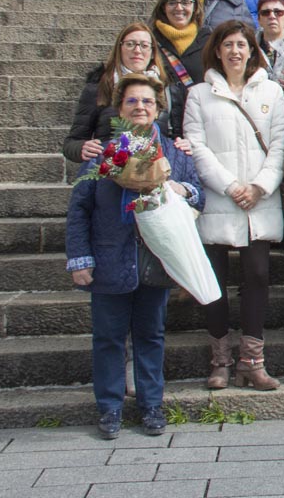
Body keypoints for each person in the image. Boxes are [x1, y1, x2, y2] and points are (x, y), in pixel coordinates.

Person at [66, 73, 204, 438]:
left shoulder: (174, 152)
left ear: (158, 109)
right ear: (119, 109)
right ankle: (109, 407)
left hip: (155, 258)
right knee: (108, 337)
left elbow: (198, 195)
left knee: (151, 335)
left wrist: (181, 188)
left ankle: (151, 404)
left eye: (147, 102)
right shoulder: (104, 154)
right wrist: (80, 259)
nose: (140, 107)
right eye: (132, 101)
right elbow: (80, 208)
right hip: (111, 258)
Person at [184, 20, 284, 392]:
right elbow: (196, 147)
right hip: (218, 198)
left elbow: (281, 143)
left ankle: (252, 362)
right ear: (217, 50)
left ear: (251, 50)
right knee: (213, 281)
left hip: (259, 199)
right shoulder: (199, 94)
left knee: (258, 275)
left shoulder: (272, 91)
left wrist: (260, 186)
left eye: (242, 44)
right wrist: (230, 186)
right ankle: (220, 360)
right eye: (228, 44)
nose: (235, 51)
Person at [64, 23, 170, 164]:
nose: (137, 50)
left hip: (155, 168)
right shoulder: (99, 88)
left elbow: (172, 135)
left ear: (152, 53)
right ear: (119, 49)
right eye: (130, 44)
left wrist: (181, 143)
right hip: (110, 167)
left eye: (144, 45)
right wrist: (81, 148)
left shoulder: (165, 88)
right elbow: (72, 143)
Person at [150, 0, 211, 138]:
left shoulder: (209, 41)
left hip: (199, 128)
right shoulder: (149, 41)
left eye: (185, 2)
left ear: (195, 6)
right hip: (161, 130)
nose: (179, 8)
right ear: (163, 7)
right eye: (172, 2)